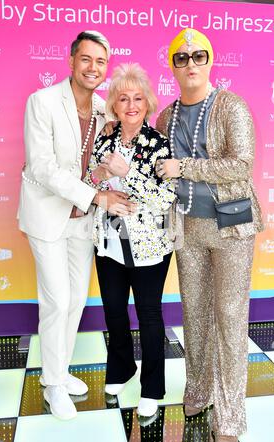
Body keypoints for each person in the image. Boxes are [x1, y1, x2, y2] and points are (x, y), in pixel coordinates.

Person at [155, 28, 264, 442]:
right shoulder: (166, 117)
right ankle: (198, 391)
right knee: (195, 315)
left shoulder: (231, 106)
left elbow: (241, 165)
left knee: (231, 319)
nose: (191, 63)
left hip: (231, 228)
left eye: (198, 55)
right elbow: (154, 166)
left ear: (210, 60)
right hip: (189, 228)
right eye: (181, 58)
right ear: (173, 65)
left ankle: (231, 414)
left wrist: (185, 167)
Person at [17, 31, 133, 420]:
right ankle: (51, 386)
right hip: (48, 216)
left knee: (75, 302)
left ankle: (60, 371)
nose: (93, 68)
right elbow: (42, 166)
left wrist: (109, 176)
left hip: (83, 222)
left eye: (101, 62)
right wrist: (96, 196)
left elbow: (99, 165)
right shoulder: (43, 102)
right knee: (57, 300)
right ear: (71, 61)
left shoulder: (105, 110)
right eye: (86, 59)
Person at [83, 63, 176, 418]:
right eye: (124, 98)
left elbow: (164, 199)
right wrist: (101, 173)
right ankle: (122, 368)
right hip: (108, 239)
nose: (131, 104)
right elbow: (89, 181)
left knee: (149, 316)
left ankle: (153, 387)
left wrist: (130, 173)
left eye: (138, 98)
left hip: (149, 244)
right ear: (115, 105)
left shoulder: (158, 143)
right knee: (114, 310)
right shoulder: (105, 137)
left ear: (148, 103)